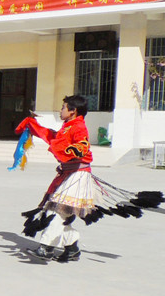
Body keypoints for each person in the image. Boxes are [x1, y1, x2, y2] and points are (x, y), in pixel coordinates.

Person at [17, 95, 164, 262]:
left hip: (77, 176)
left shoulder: (78, 126)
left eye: (63, 107)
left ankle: (46, 248)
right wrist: (33, 125)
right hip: (69, 174)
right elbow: (53, 137)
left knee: (57, 211)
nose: (60, 110)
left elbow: (82, 146)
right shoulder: (68, 126)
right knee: (62, 213)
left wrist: (69, 150)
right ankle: (71, 248)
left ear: (73, 111)